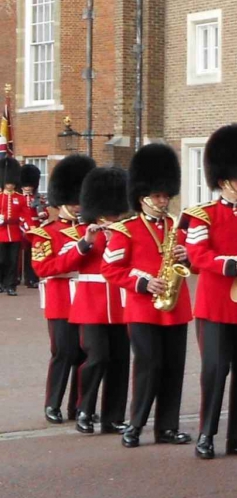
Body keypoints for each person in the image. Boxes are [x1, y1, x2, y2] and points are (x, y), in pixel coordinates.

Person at [184, 124, 237, 460]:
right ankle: (206, 433)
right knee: (215, 370)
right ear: (223, 180)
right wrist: (230, 264)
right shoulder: (203, 214)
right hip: (215, 304)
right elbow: (196, 254)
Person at [103, 144, 196, 449]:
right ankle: (136, 424)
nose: (163, 201)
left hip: (175, 306)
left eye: (166, 196)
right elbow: (111, 268)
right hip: (143, 309)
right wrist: (143, 284)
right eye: (157, 196)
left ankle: (167, 427)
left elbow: (192, 263)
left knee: (173, 367)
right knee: (148, 365)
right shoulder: (126, 229)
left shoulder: (176, 227)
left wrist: (186, 257)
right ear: (142, 197)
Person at [61, 166, 133, 434]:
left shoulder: (127, 229)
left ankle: (113, 417)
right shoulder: (80, 231)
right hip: (91, 306)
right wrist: (86, 241)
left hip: (121, 304)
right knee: (97, 358)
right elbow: (63, 263)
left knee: (120, 362)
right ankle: (83, 409)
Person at [29, 155, 94, 425]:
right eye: (74, 201)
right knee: (63, 353)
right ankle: (52, 404)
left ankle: (78, 407)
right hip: (61, 300)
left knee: (85, 354)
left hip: (88, 299)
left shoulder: (91, 229)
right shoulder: (46, 233)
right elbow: (43, 268)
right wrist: (79, 250)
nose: (79, 206)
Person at [0, 156, 23, 295]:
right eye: (8, 183)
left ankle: (10, 286)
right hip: (1, 232)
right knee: (1, 260)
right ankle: (1, 282)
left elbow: (24, 215)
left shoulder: (19, 198)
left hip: (15, 232)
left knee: (13, 262)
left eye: (12, 183)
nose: (10, 185)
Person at [20, 162, 41, 288]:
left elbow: (44, 212)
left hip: (35, 228)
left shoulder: (37, 198)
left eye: (30, 185)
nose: (28, 187)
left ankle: (32, 278)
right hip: (21, 228)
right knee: (17, 257)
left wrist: (44, 214)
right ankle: (16, 277)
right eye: (25, 185)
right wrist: (26, 225)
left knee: (32, 254)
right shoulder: (18, 198)